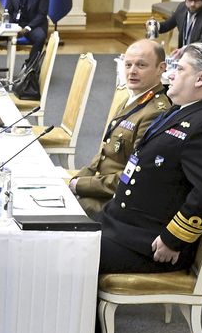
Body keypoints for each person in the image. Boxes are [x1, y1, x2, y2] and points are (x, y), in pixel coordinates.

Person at [99, 43, 202, 274]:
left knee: (66, 255)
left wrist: (174, 238)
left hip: (149, 243)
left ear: (201, 78)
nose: (171, 74)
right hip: (124, 224)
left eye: (181, 69)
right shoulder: (184, 109)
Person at [69, 40, 170, 220]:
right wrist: (77, 180)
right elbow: (103, 154)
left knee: (57, 213)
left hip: (120, 202)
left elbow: (135, 175)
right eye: (128, 65)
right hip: (103, 187)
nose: (132, 71)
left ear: (161, 68)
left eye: (141, 65)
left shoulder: (155, 112)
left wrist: (82, 186)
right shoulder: (133, 99)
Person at [4, 0, 50, 68]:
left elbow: (42, 14)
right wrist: (13, 27)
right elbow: (8, 11)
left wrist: (28, 28)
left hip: (34, 25)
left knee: (40, 37)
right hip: (17, 24)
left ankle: (30, 67)